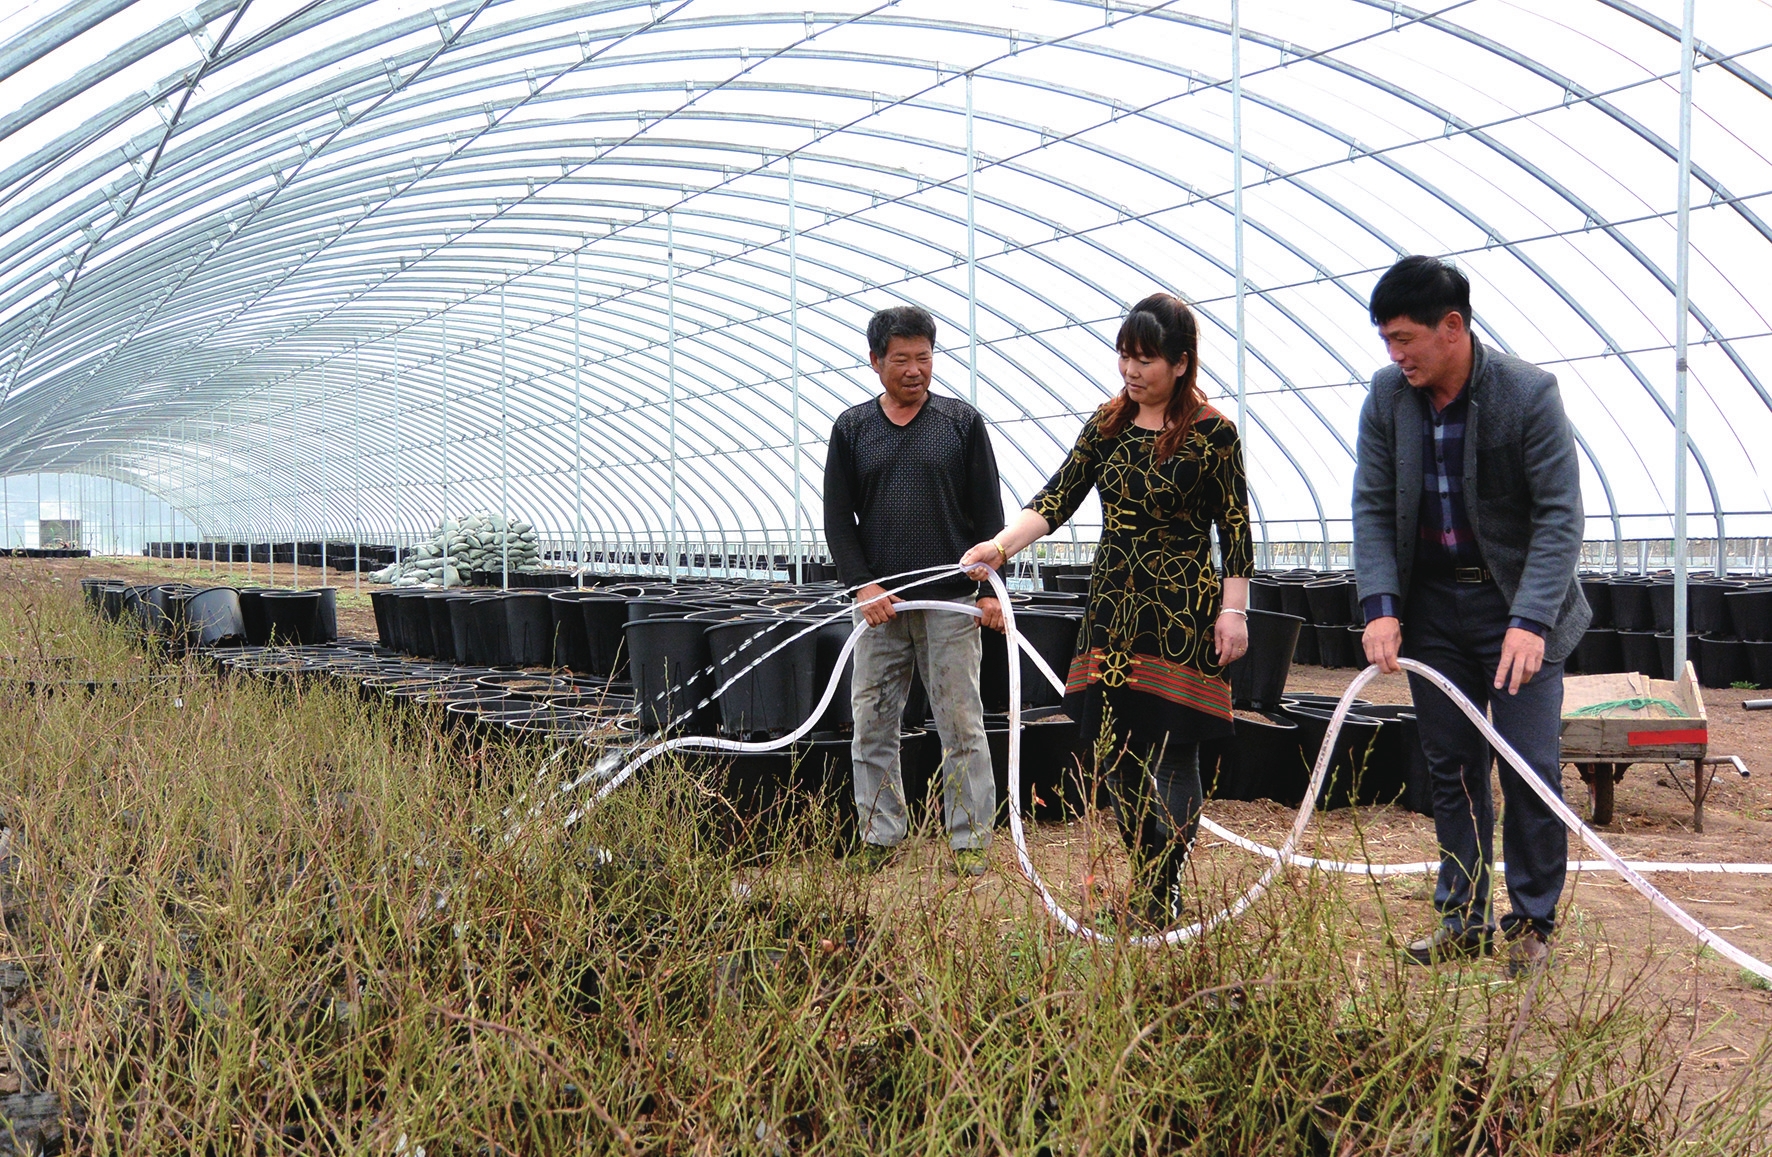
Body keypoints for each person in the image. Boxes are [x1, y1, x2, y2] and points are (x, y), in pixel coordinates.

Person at [962, 293, 1252, 925]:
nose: (1132, 370)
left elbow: (1235, 529)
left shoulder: (1214, 434)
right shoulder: (1106, 425)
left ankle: (1160, 890)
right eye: (1125, 357)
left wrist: (1236, 611)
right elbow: (1058, 496)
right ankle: (1150, 871)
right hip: (1114, 606)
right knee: (1112, 748)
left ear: (1181, 363)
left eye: (1146, 359)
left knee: (1174, 747)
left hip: (1182, 611)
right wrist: (1001, 546)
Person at [1353, 255, 1589, 977]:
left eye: (1404, 338)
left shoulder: (1527, 393)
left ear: (1451, 327)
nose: (1395, 355)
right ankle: (1463, 915)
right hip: (1432, 611)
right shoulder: (1389, 398)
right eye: (1387, 341)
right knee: (1451, 766)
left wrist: (1531, 617)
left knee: (1528, 766)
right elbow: (1370, 505)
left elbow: (1559, 515)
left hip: (1514, 607)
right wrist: (1382, 607)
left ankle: (1532, 921)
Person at [823, 305, 1006, 876]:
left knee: (961, 723)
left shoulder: (961, 423)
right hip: (882, 606)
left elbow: (988, 513)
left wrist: (991, 591)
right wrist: (862, 586)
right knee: (873, 720)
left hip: (951, 599)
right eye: (900, 359)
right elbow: (837, 519)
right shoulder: (852, 429)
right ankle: (880, 835)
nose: (914, 369)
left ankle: (970, 841)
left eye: (923, 358)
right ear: (876, 361)